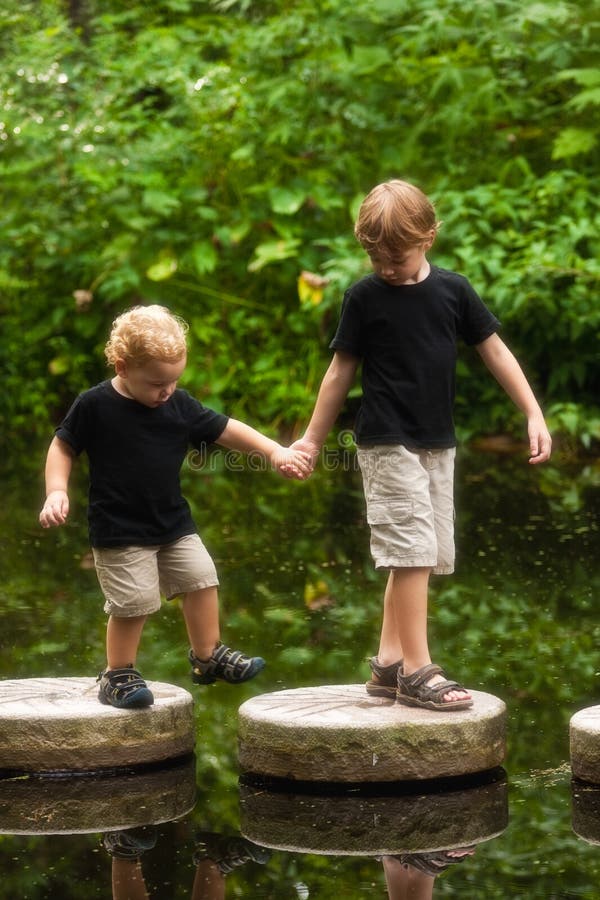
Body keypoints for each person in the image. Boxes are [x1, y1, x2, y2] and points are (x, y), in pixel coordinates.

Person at [291, 179, 552, 711]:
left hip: (437, 441)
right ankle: (417, 670)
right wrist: (312, 440)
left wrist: (532, 410)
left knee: (422, 556)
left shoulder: (454, 291)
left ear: (429, 236)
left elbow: (496, 352)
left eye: (397, 256)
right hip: (387, 440)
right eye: (376, 257)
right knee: (410, 553)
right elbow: (340, 371)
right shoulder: (363, 297)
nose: (386, 267)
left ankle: (388, 664)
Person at [39, 304, 311, 709]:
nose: (166, 391)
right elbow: (63, 445)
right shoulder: (95, 405)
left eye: (174, 381)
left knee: (202, 578)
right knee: (133, 604)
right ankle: (118, 674)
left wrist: (274, 451)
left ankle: (208, 656)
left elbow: (226, 429)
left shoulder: (178, 404)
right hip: (119, 529)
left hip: (172, 522)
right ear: (123, 365)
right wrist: (56, 490)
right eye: (156, 383)